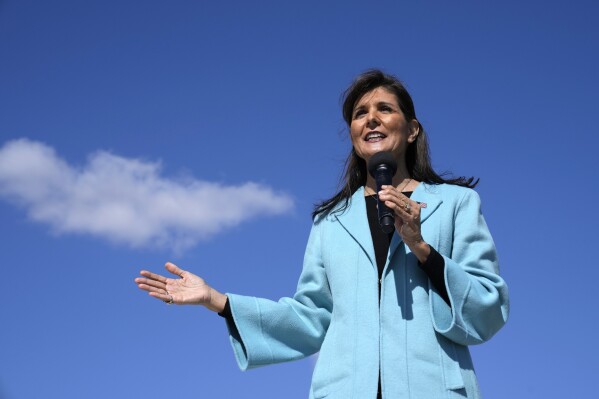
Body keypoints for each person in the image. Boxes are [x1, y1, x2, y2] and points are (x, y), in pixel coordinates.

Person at [135, 69, 509, 399]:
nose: (371, 119)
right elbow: (311, 317)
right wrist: (219, 301)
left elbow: (488, 306)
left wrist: (422, 248)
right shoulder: (331, 221)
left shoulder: (457, 203)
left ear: (412, 130)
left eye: (385, 109)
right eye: (360, 114)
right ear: (352, 135)